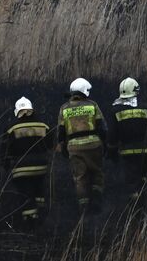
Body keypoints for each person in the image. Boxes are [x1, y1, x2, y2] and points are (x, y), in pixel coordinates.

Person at [107, 77, 147, 201]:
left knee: (132, 184)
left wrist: (112, 154)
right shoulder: (146, 108)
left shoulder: (116, 111)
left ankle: (134, 208)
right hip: (146, 153)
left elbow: (112, 136)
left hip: (128, 156)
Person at [0, 97, 53, 228]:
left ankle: (30, 221)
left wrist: (5, 165)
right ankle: (42, 214)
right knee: (39, 191)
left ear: (17, 112)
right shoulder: (44, 126)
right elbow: (50, 145)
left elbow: (5, 150)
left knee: (25, 194)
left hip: (20, 169)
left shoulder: (11, 129)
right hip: (41, 167)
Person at [57, 78, 108, 214]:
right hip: (94, 145)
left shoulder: (64, 108)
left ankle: (83, 207)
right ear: (85, 90)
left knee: (80, 178)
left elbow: (61, 132)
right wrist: (105, 144)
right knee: (97, 172)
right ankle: (96, 200)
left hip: (74, 147)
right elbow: (102, 127)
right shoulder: (92, 105)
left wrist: (62, 147)